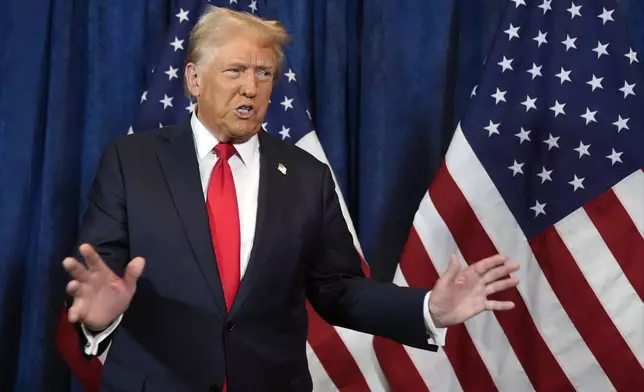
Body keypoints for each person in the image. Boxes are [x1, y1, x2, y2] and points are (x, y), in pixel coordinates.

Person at [62, 6, 519, 392]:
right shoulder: (131, 161)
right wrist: (100, 319)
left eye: (264, 73)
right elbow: (101, 273)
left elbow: (338, 290)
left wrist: (427, 309)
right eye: (235, 71)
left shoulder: (306, 177)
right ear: (194, 79)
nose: (251, 88)